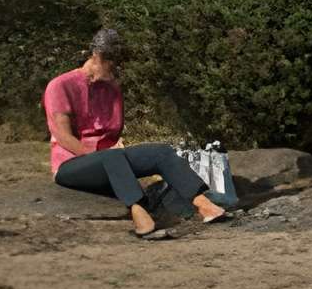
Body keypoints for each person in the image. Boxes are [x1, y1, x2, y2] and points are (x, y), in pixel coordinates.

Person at [43, 29, 230, 241]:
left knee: (160, 152)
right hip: (72, 164)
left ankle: (204, 206)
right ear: (97, 56)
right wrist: (100, 155)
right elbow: (63, 136)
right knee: (111, 156)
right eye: (113, 63)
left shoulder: (112, 89)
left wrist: (117, 151)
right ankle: (140, 216)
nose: (117, 68)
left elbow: (113, 131)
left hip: (110, 160)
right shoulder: (60, 86)